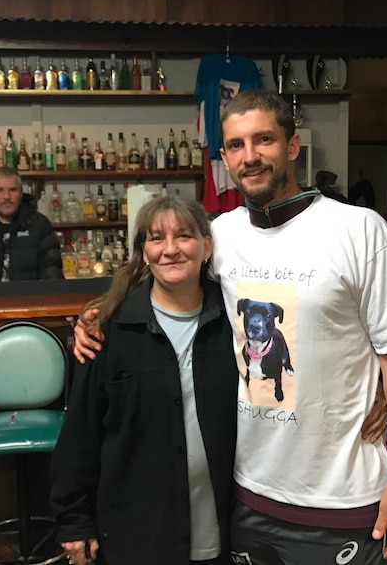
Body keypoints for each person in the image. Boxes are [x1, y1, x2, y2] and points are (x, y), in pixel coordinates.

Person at [74, 89, 387, 565]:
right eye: (236, 145)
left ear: (292, 145)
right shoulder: (221, 236)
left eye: (263, 139)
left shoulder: (359, 230)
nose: (250, 156)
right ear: (224, 157)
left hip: (341, 495)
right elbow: (155, 274)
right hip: (247, 494)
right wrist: (95, 314)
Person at [50, 195, 239, 565]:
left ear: (206, 247)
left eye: (184, 236)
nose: (170, 250)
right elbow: (81, 434)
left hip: (224, 528)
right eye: (156, 239)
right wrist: (73, 520)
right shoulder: (110, 329)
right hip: (136, 533)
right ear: (144, 252)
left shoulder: (236, 320)